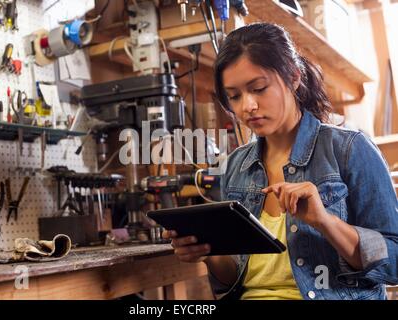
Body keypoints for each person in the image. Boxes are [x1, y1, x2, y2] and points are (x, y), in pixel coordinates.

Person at [163, 23, 398, 300]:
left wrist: (325, 222)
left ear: (294, 77)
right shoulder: (237, 164)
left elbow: (393, 262)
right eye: (234, 96)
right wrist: (207, 254)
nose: (247, 106)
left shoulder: (348, 149)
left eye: (259, 88)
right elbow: (239, 277)